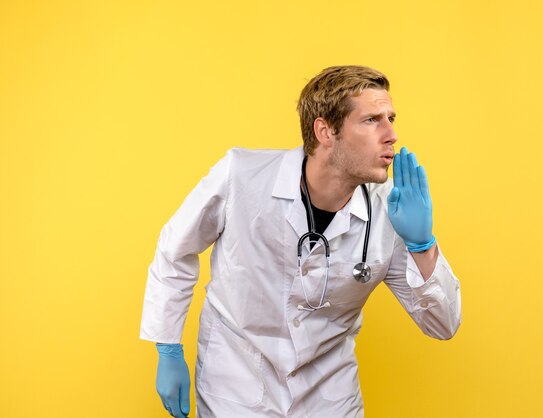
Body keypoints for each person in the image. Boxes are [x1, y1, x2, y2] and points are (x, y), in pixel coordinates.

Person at [140, 65, 462, 418]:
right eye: (371, 120)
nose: (391, 135)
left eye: (391, 118)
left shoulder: (393, 209)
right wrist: (168, 346)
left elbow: (443, 325)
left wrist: (422, 246)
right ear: (325, 131)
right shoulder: (241, 176)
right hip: (235, 382)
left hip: (329, 394)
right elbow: (175, 250)